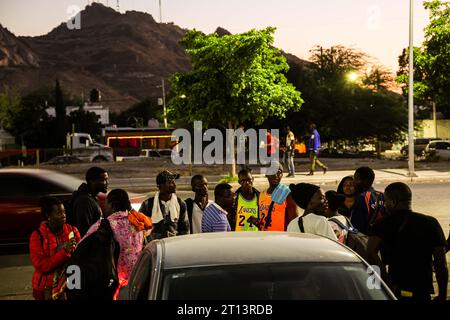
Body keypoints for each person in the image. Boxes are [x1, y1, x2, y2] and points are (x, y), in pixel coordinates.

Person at [367, 182, 448, 300]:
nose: (385, 205)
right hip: (422, 291)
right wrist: (442, 294)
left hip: (396, 289)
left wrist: (386, 281)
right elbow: (441, 263)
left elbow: (370, 253)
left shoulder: (382, 224)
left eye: (386, 201)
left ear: (393, 202)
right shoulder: (431, 223)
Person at [82, 189, 152, 299]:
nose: (104, 207)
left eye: (106, 204)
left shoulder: (104, 224)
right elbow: (148, 233)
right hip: (138, 279)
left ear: (112, 205)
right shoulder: (137, 222)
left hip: (116, 283)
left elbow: (82, 244)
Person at [29, 196, 81, 300]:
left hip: (71, 282)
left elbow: (80, 259)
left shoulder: (73, 231)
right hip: (46, 287)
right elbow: (43, 265)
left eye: (64, 212)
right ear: (49, 216)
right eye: (59, 213)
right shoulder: (38, 236)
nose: (64, 216)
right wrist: (64, 251)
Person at [139, 170, 189, 240]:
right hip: (154, 246)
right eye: (170, 182)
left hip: (174, 245)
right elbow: (140, 228)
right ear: (161, 186)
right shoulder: (147, 204)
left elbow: (185, 230)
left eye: (174, 182)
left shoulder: (180, 203)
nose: (174, 185)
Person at [70, 166, 109, 237]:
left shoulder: (91, 198)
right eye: (103, 180)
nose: (107, 183)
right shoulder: (84, 201)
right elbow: (85, 231)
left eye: (107, 179)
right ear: (92, 181)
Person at [259, 162, 298, 231]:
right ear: (266, 174)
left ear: (282, 175)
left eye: (279, 172)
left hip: (280, 238)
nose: (275, 175)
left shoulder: (286, 193)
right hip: (265, 237)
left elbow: (294, 222)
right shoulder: (261, 195)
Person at [350, 167, 385, 235]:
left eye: (356, 179)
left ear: (365, 181)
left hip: (367, 238)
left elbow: (356, 226)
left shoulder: (362, 197)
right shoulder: (382, 195)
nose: (353, 182)